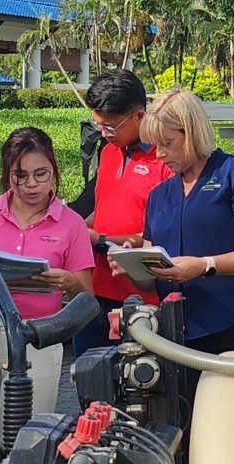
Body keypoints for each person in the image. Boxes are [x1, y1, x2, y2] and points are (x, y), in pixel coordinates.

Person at [0, 126, 94, 464]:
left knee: (28, 445)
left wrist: (67, 280)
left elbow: (87, 292)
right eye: (20, 176)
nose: (31, 185)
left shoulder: (70, 223)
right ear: (7, 175)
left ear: (54, 172)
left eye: (41, 174)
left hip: (39, 335)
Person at [115, 87, 234, 406]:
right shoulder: (160, 194)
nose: (159, 154)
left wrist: (203, 266)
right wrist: (131, 268)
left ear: (193, 133)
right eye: (155, 145)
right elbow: (153, 273)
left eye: (168, 143)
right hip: (177, 334)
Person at [72, 69, 171, 357]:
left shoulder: (164, 160)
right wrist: (76, 231)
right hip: (94, 291)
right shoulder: (108, 152)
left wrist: (101, 240)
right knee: (89, 381)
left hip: (141, 297)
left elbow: (162, 236)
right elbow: (101, 210)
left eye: (111, 126)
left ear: (140, 115)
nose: (104, 133)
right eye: (98, 125)